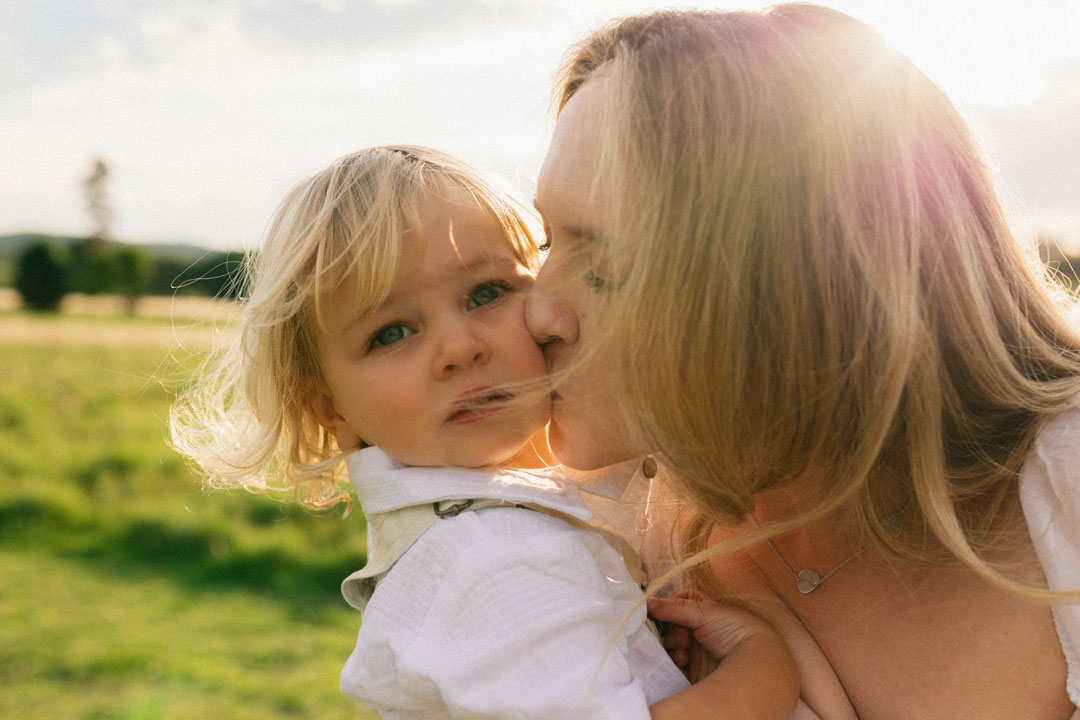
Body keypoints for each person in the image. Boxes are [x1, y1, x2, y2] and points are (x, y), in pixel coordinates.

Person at [527, 4, 1080, 719]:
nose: (537, 312)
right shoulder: (598, 550)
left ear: (782, 284)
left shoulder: (1061, 483)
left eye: (601, 265)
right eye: (546, 242)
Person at [170, 145, 800, 718]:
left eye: (486, 293)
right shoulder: (495, 556)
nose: (459, 348)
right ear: (329, 410)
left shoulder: (481, 535)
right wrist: (762, 668)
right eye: (392, 332)